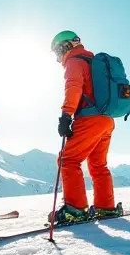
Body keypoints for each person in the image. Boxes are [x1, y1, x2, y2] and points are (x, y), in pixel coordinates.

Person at [50, 30, 122, 224]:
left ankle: (75, 209)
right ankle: (106, 208)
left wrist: (66, 115)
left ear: (65, 47)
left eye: (57, 53)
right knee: (98, 165)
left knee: (68, 160)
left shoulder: (74, 62)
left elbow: (73, 87)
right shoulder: (93, 63)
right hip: (107, 120)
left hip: (89, 119)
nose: (58, 59)